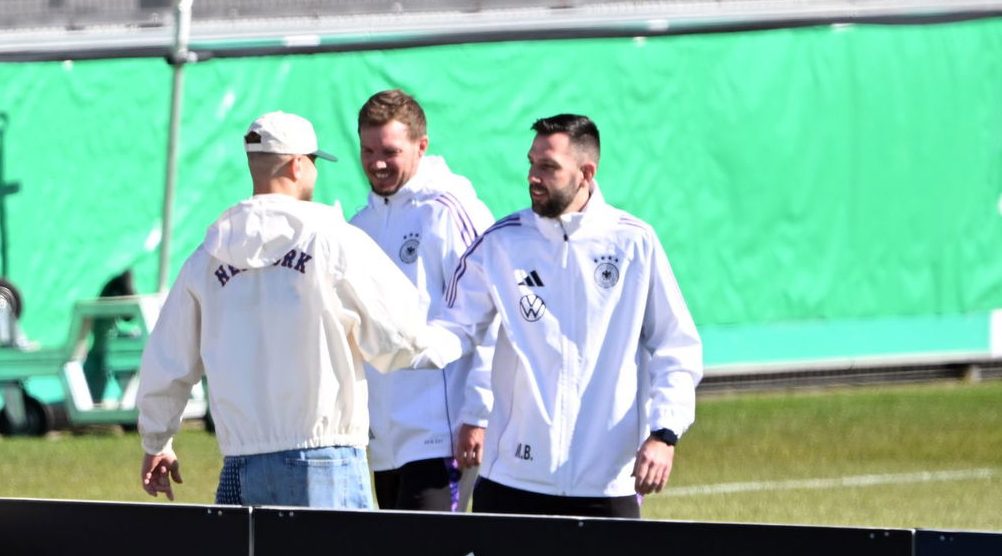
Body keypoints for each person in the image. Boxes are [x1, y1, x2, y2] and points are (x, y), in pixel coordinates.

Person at [136, 110, 468, 509]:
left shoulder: (208, 255)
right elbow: (397, 337)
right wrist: (453, 339)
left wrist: (157, 440)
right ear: (298, 164)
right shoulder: (334, 239)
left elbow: (167, 359)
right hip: (326, 457)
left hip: (241, 459)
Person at [448, 114, 702, 518]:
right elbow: (451, 330)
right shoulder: (502, 243)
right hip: (511, 481)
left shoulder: (634, 242)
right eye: (531, 163)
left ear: (586, 173)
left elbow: (677, 348)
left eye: (548, 167)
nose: (533, 176)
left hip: (606, 487)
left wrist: (664, 433)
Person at [350, 89, 496, 512]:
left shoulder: (449, 211)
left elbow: (491, 316)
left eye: (390, 151)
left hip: (441, 434)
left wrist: (479, 414)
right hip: (384, 442)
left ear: (421, 146)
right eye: (368, 150)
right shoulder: (360, 226)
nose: (377, 163)